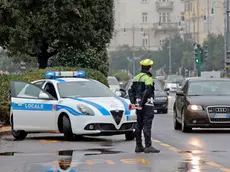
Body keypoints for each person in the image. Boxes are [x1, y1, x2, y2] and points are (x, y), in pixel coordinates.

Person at [128, 58, 160, 153]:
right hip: (147, 105)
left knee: (139, 125)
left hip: (138, 105)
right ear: (149, 68)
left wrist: (133, 102)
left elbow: (131, 91)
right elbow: (147, 91)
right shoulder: (148, 78)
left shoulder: (136, 77)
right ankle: (148, 146)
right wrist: (142, 103)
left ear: (141, 67)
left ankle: (138, 146)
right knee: (147, 125)